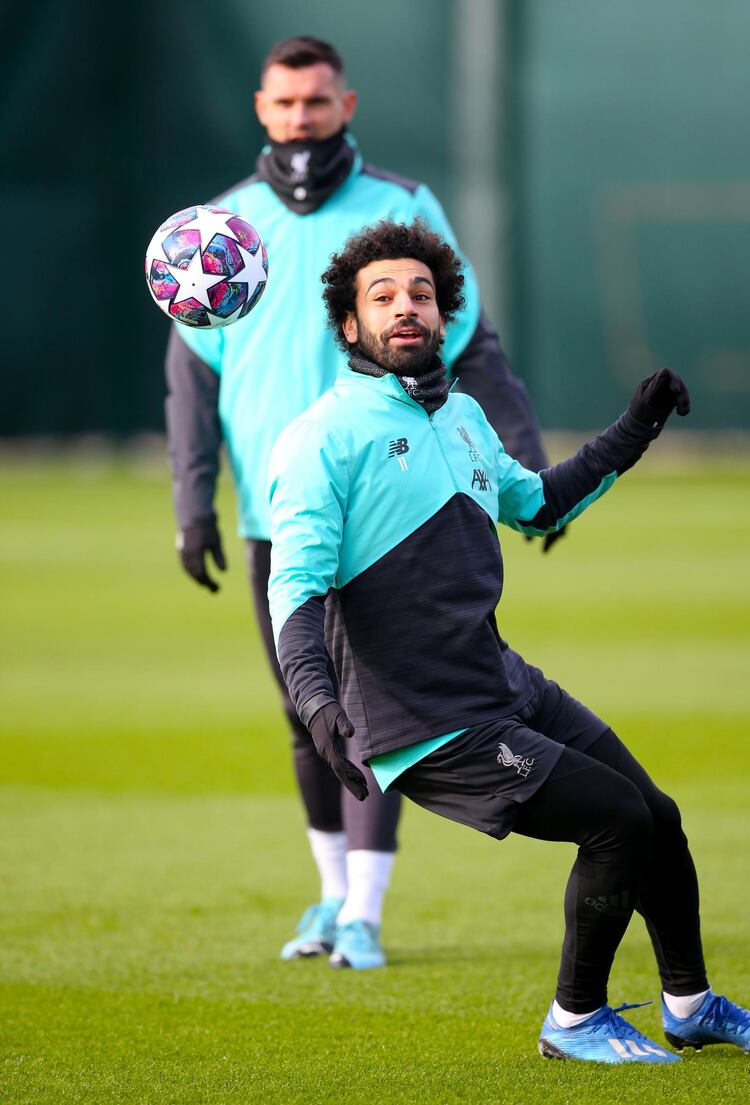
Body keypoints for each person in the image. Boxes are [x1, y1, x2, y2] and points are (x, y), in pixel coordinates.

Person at [266, 218, 750, 1063]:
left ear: (443, 317)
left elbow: (538, 504)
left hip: (500, 682)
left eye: (422, 294)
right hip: (425, 719)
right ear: (348, 324)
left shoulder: (466, 415)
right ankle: (576, 1018)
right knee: (618, 821)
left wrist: (635, 429)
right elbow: (294, 588)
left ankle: (690, 1003)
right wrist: (315, 696)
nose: (406, 307)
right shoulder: (321, 438)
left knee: (657, 814)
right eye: (383, 296)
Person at [164, 36, 559, 971]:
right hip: (276, 512)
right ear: (262, 108)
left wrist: (529, 468)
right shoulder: (221, 228)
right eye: (285, 103)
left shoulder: (401, 206)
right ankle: (332, 896)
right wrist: (192, 503)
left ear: (348, 105)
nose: (301, 118)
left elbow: (473, 343)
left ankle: (368, 914)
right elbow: (191, 372)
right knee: (308, 712)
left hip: (387, 518)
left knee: (384, 716)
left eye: (317, 101)